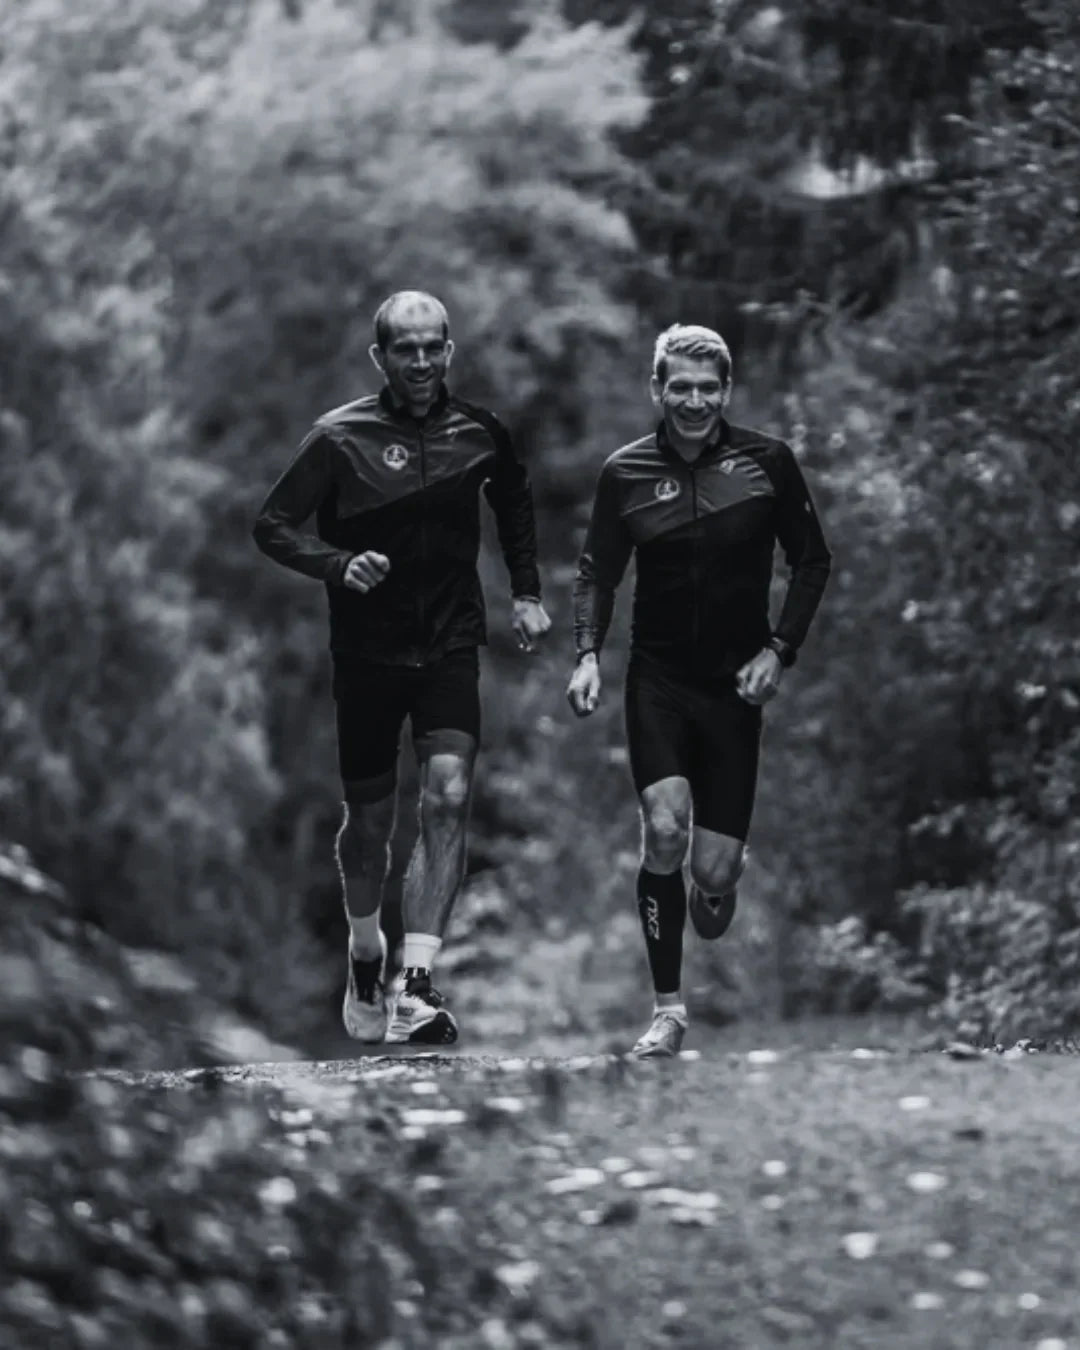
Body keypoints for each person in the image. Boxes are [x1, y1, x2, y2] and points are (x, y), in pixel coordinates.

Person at [254, 291, 550, 1046]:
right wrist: (337, 563)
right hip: (366, 653)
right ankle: (365, 950)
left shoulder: (480, 432)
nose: (420, 361)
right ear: (379, 357)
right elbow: (273, 524)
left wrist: (525, 591)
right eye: (404, 349)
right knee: (369, 827)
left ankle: (415, 986)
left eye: (432, 347)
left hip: (450, 641)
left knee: (448, 797)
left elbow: (514, 500)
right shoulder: (338, 437)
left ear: (450, 351)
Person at [567, 324, 831, 1058]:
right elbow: (598, 572)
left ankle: (718, 884)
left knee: (711, 875)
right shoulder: (625, 472)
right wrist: (587, 655)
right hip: (658, 678)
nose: (692, 401)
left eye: (706, 388)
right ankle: (668, 1010)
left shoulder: (767, 463)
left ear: (726, 391)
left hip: (735, 689)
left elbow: (813, 562)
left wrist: (780, 650)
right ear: (657, 389)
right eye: (678, 387)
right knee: (665, 828)